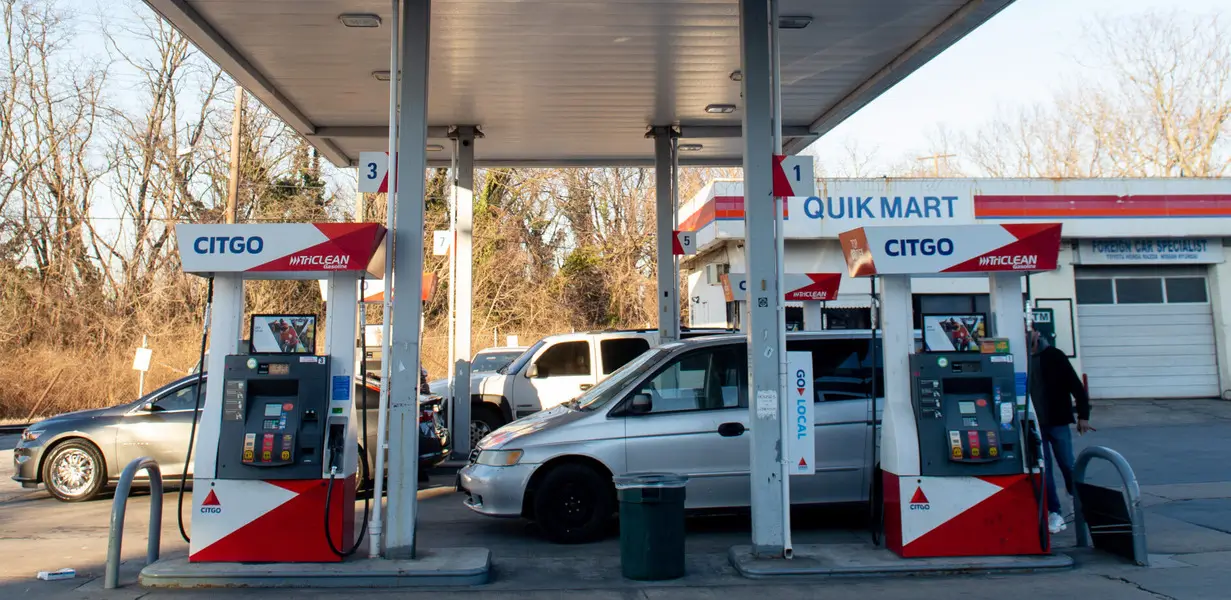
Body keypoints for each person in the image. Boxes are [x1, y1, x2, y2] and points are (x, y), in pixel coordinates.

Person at [1029, 329, 1094, 534]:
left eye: (1029, 331)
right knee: (1044, 467)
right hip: (1034, 424)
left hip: (1057, 421)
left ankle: (1077, 499)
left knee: (1067, 462)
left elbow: (1075, 386)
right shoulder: (1019, 357)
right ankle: (1054, 512)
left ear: (1037, 333)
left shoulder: (1054, 356)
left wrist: (1083, 416)